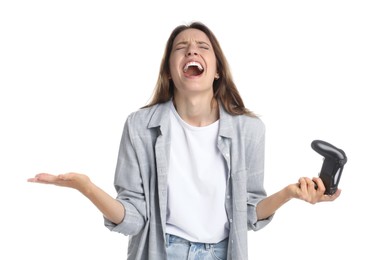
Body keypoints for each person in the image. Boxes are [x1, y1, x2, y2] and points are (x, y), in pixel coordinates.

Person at [28, 21, 341, 260]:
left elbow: (247, 212)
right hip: (163, 251)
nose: (192, 50)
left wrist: (289, 193)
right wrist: (87, 188)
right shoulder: (140, 126)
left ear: (217, 69)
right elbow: (134, 219)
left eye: (203, 46)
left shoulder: (249, 130)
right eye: (182, 47)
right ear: (169, 70)